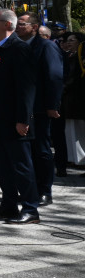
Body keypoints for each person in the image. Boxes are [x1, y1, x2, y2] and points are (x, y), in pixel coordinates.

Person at [0, 9, 40, 224]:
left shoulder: (19, 49)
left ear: (7, 24)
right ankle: (8, 206)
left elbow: (26, 87)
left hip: (15, 120)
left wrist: (23, 119)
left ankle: (31, 209)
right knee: (3, 166)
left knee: (21, 166)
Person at [16, 13, 64, 206]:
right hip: (22, 107)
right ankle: (31, 188)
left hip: (40, 108)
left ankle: (45, 190)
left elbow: (54, 77)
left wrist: (52, 105)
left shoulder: (47, 46)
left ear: (34, 27)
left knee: (41, 150)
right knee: (26, 151)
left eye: (21, 24)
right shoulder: (18, 48)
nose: (17, 27)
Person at [56, 32, 84, 176]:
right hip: (69, 101)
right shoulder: (69, 56)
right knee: (71, 130)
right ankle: (74, 158)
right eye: (68, 40)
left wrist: (63, 88)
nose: (69, 42)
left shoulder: (79, 58)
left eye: (73, 40)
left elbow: (74, 78)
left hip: (77, 99)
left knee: (80, 131)